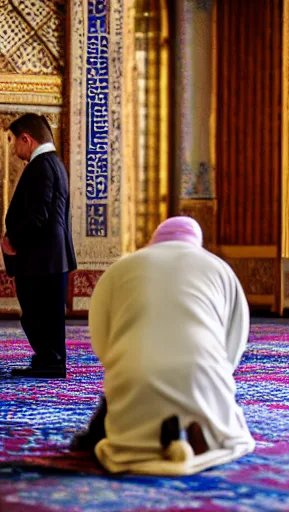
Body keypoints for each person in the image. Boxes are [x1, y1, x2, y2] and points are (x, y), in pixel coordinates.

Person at [72, 216, 255, 475]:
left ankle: (142, 437)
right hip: (202, 376)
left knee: (125, 408)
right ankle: (203, 430)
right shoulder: (218, 268)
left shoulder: (122, 267)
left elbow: (102, 339)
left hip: (135, 374)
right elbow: (234, 343)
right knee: (217, 407)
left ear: (153, 242)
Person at [3, 114, 76, 379]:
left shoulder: (41, 166)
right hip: (49, 258)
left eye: (13, 141)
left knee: (39, 313)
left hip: (42, 258)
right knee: (45, 314)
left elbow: (38, 217)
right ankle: (48, 360)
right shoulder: (53, 164)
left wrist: (13, 242)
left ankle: (51, 363)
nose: (13, 149)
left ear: (27, 139)